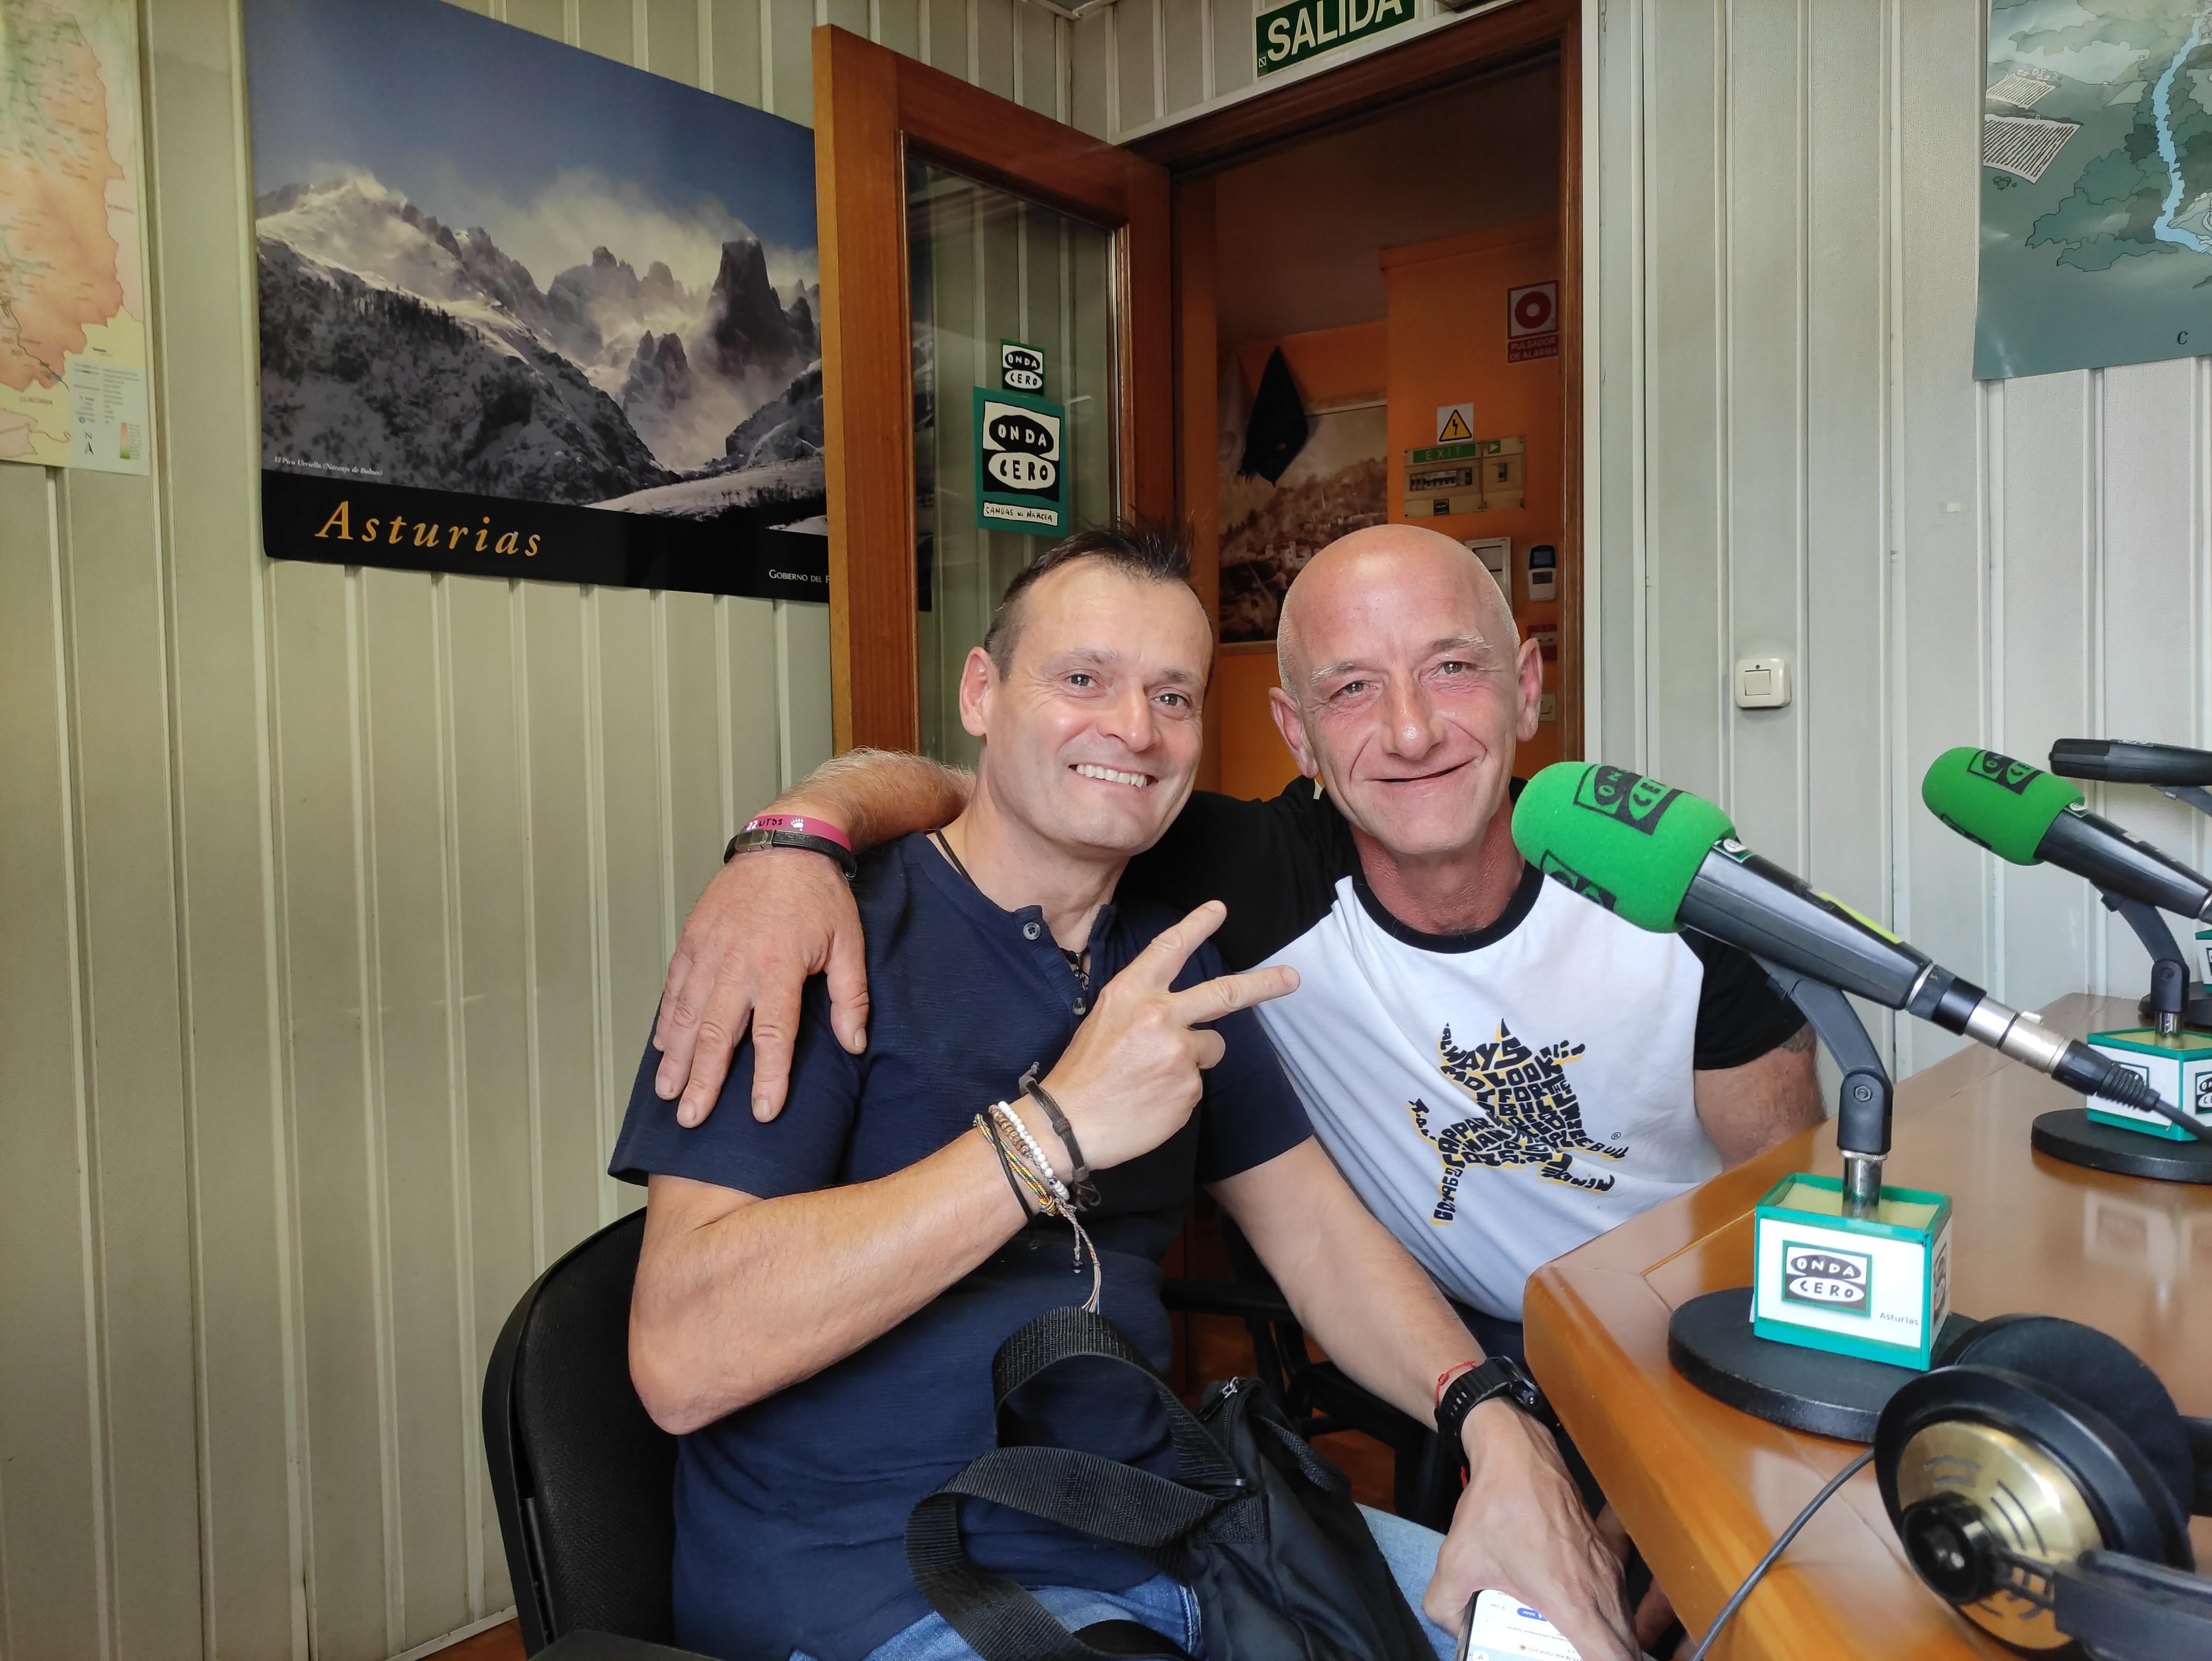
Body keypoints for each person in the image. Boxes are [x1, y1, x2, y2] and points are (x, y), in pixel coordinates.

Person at [614, 527, 1637, 1661]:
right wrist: (1045, 1133)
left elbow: (1320, 1240)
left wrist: (1491, 1419)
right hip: (881, 1581)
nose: (1134, 729)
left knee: (1566, 1642)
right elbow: (680, 1354)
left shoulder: (1174, 956)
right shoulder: (824, 936)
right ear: (982, 693)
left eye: (1172, 695)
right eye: (1083, 679)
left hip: (1174, 1537)